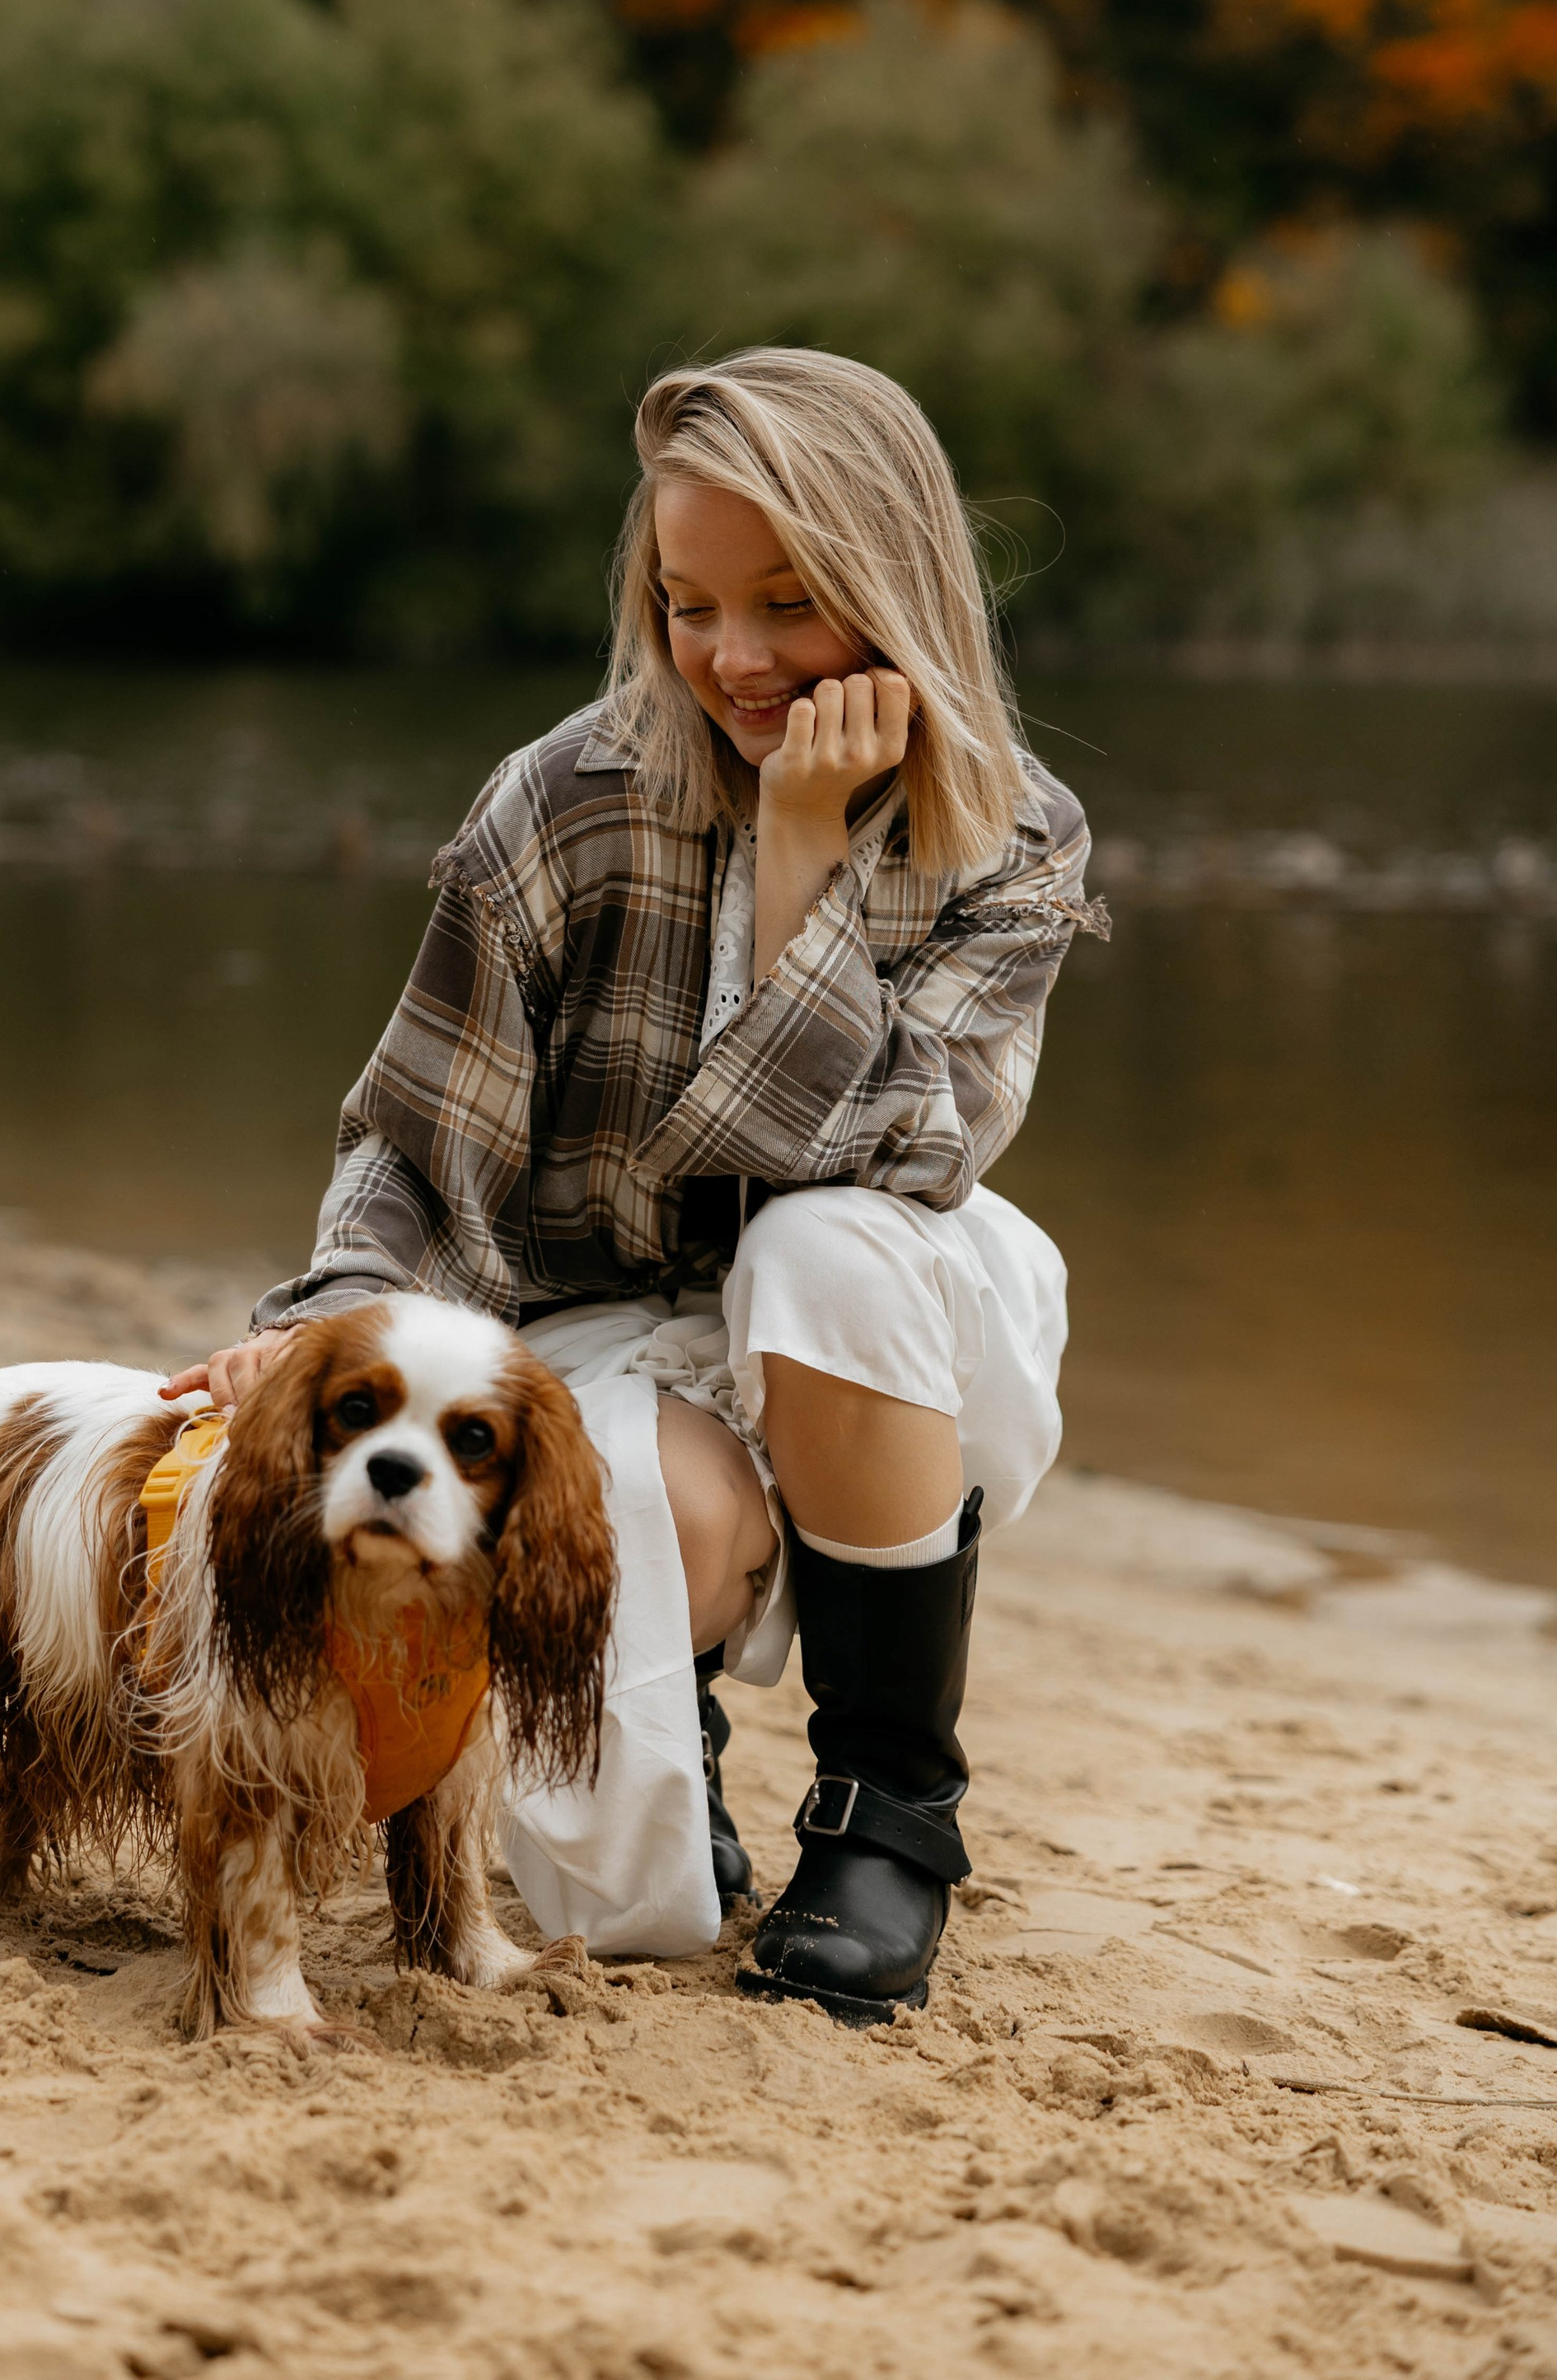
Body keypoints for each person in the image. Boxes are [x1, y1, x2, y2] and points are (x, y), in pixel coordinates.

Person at [163, 348, 1106, 2023]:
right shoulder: (561, 804)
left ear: (892, 588)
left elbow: (908, 1148)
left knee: (823, 1248)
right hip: (603, 1322)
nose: (732, 659)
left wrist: (802, 856)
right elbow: (415, 1140)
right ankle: (698, 1740)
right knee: (624, 1894)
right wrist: (316, 1332)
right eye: (688, 605)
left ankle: (888, 1811)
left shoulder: (1010, 836)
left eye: (788, 604)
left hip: (895, 1322)